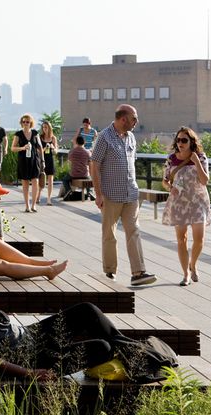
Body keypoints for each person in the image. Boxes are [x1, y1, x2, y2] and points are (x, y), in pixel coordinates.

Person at [89, 104, 156, 286]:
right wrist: (98, 194)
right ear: (123, 119)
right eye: (134, 118)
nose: (137, 122)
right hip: (110, 195)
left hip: (131, 194)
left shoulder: (131, 137)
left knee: (133, 231)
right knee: (109, 234)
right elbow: (94, 165)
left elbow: (130, 164)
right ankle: (110, 272)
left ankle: (138, 272)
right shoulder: (104, 137)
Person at [161, 127, 211, 286]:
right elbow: (164, 181)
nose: (181, 143)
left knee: (199, 239)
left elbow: (204, 181)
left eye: (184, 140)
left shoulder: (201, 157)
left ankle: (193, 264)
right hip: (179, 202)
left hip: (198, 202)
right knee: (181, 239)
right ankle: (186, 274)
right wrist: (171, 188)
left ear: (191, 141)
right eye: (178, 140)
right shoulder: (171, 159)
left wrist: (196, 161)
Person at [11, 114, 43, 213]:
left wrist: (43, 161)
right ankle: (27, 206)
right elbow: (12, 148)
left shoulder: (35, 133)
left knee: (35, 182)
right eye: (24, 122)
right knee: (25, 184)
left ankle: (33, 205)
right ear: (21, 123)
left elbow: (40, 147)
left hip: (34, 160)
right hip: (23, 160)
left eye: (27, 122)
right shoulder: (18, 134)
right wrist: (22, 148)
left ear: (31, 123)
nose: (25, 123)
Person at [38, 121, 59, 205]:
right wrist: (44, 148)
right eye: (43, 127)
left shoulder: (53, 138)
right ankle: (38, 196)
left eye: (46, 127)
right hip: (42, 160)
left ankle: (49, 199)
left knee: (50, 180)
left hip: (50, 159)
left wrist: (52, 147)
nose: (44, 129)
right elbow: (38, 152)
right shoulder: (40, 137)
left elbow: (56, 151)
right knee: (41, 179)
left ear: (49, 128)